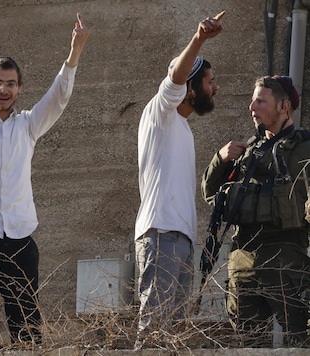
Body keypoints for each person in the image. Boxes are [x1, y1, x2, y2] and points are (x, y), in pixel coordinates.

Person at [0, 13, 90, 354]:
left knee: (27, 336)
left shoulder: (28, 126)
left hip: (19, 244)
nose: (4, 89)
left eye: (11, 83)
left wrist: (75, 51)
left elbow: (58, 99)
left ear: (19, 88)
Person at [134, 11, 225, 348]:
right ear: (190, 88)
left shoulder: (182, 128)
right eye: (209, 80)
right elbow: (175, 76)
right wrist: (199, 39)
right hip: (161, 235)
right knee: (154, 331)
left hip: (180, 239)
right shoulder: (161, 112)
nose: (215, 87)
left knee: (173, 336)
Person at [202, 75, 310, 347]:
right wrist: (220, 159)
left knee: (299, 343)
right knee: (248, 345)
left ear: (284, 106)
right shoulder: (245, 152)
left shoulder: (305, 148)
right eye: (253, 101)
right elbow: (210, 195)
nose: (252, 107)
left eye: (261, 101)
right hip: (243, 261)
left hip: (287, 257)